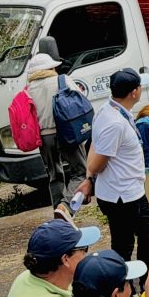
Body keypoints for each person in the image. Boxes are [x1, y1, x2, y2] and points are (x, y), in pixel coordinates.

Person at [77, 69, 149, 270]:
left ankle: (141, 278)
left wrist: (89, 179)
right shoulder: (115, 123)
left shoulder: (109, 110)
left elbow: (94, 144)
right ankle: (121, 286)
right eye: (140, 86)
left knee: (148, 233)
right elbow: (97, 162)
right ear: (134, 92)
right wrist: (90, 176)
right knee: (124, 245)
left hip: (129, 191)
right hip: (122, 195)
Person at [25, 53, 87, 207]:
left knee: (54, 175)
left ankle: (58, 212)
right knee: (80, 172)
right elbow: (79, 100)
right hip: (66, 133)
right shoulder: (62, 80)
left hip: (45, 138)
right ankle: (66, 206)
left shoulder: (28, 89)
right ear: (51, 67)